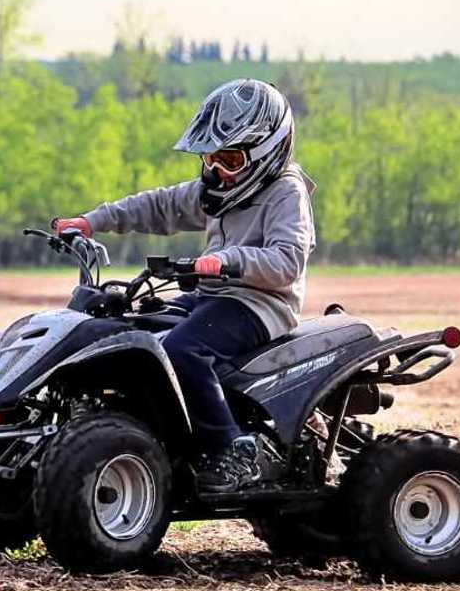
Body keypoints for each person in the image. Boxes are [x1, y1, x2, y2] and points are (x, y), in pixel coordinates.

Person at [52, 79, 316, 497]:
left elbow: (286, 262)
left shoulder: (286, 191)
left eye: (228, 158)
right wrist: (91, 221)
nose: (215, 170)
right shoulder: (220, 189)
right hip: (213, 296)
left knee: (182, 350)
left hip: (261, 304)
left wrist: (227, 261)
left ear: (266, 152)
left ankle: (231, 449)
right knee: (133, 328)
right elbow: (158, 206)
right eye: (210, 158)